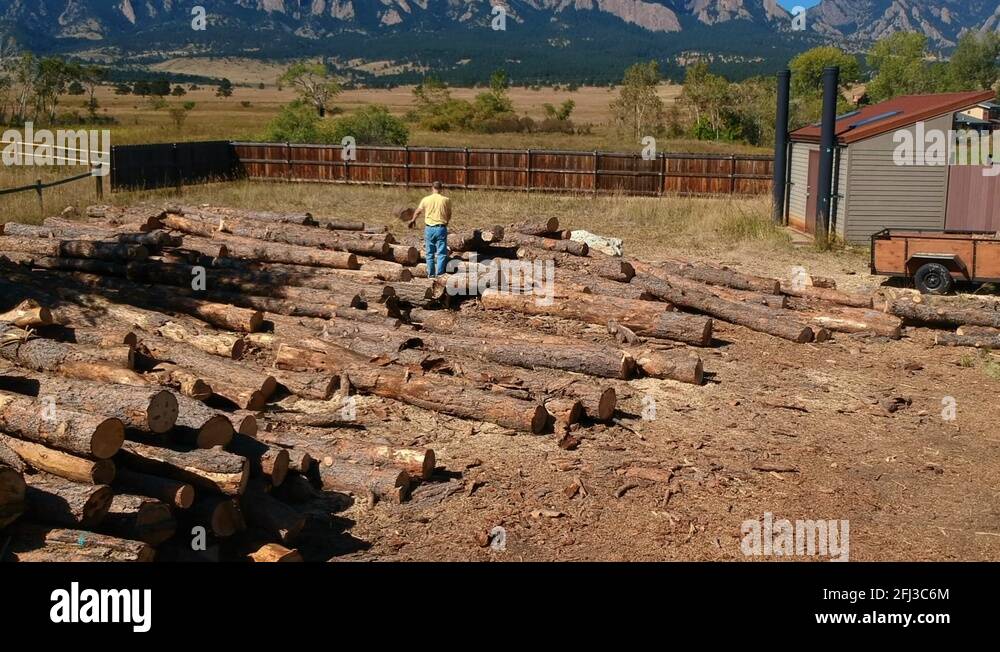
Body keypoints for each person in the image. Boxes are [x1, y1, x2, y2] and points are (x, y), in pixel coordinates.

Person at [409, 181, 452, 277]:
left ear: (432, 188)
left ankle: (431, 275)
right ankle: (440, 274)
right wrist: (447, 221)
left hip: (429, 228)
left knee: (429, 253)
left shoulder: (426, 199)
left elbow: (418, 211)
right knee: (441, 253)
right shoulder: (446, 200)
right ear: (441, 189)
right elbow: (449, 213)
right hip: (441, 227)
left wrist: (413, 220)